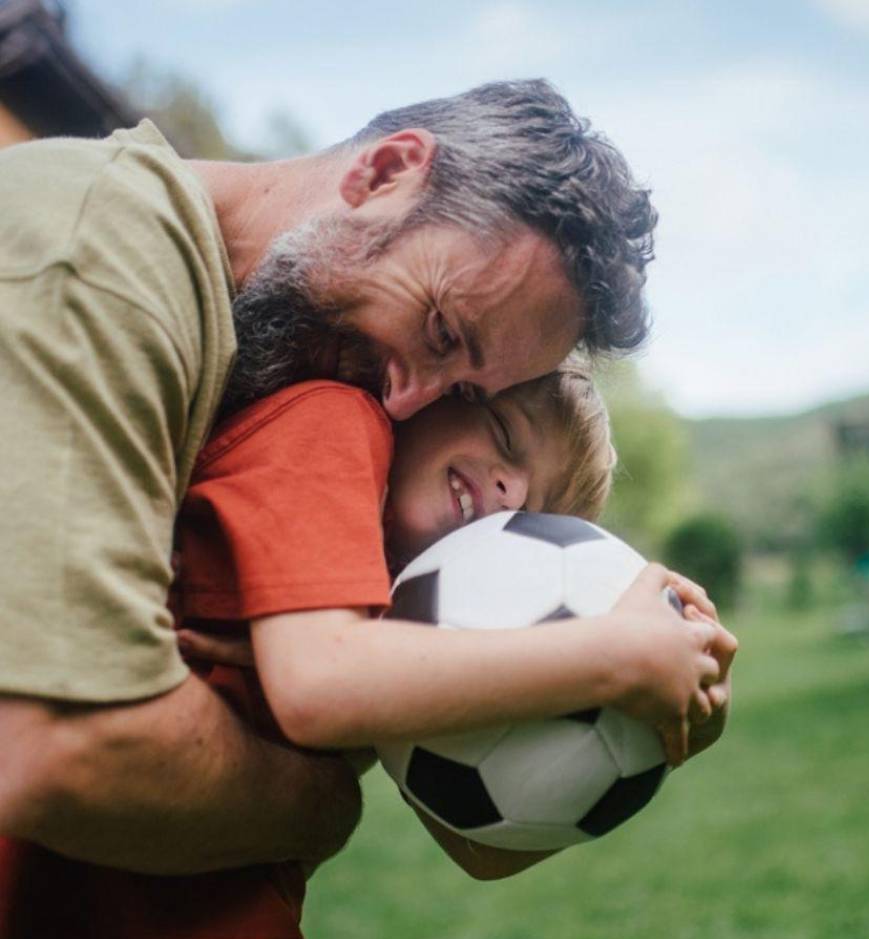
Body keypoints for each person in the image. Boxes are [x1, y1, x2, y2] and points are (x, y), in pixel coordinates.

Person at [0, 79, 674, 876]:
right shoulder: (95, 258)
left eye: (463, 392)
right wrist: (323, 801)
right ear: (385, 172)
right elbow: (57, 750)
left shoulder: (266, 359)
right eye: (440, 328)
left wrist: (664, 708)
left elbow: (475, 848)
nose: (404, 399)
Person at [0, 364, 735, 939]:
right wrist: (616, 653)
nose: (507, 483)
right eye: (505, 432)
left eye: (529, 502)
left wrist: (673, 733)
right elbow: (322, 683)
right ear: (439, 395)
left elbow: (479, 848)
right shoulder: (331, 428)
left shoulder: (419, 622)